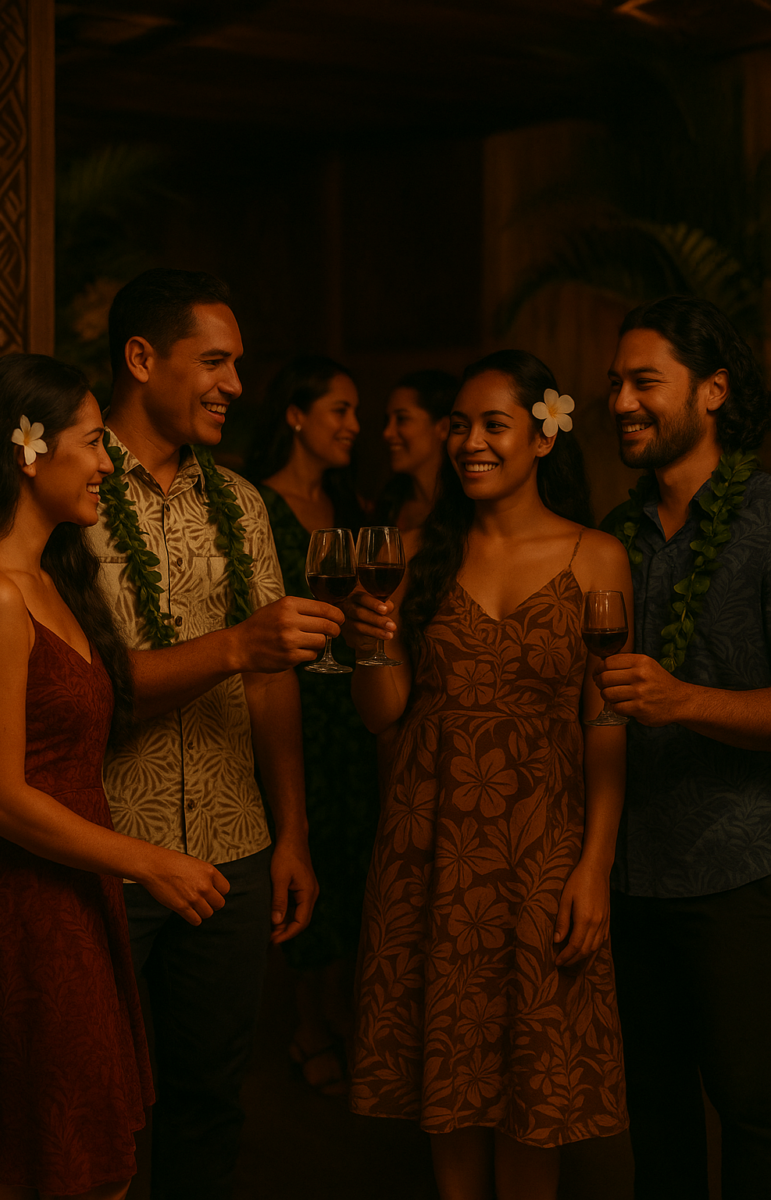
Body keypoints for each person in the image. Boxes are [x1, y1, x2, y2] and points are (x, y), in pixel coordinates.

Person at [344, 350, 631, 1200]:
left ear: (542, 436)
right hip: (430, 852)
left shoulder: (595, 555)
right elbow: (382, 713)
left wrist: (594, 866)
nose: (470, 442)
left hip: (542, 854)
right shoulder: (411, 552)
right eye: (460, 426)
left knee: (532, 1093)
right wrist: (369, 639)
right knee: (451, 1091)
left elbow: (605, 721)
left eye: (493, 425)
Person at [86, 268, 344, 1200]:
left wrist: (292, 835)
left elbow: (272, 679)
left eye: (238, 365)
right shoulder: (70, 491)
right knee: (94, 1103)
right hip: (104, 851)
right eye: (215, 362)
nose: (236, 385)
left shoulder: (240, 502)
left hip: (234, 851)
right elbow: (76, 689)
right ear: (141, 358)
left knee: (211, 1102)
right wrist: (237, 644)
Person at [0, 353, 230, 1200]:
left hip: (77, 896)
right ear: (28, 451)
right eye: (91, 442)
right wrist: (149, 859)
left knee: (89, 1160)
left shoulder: (54, 579)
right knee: (52, 1163)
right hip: (23, 902)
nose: (108, 464)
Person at [598, 296, 771, 1200]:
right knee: (656, 1114)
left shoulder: (767, 519)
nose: (621, 402)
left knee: (753, 1110)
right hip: (628, 877)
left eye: (644, 382)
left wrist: (682, 701)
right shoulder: (610, 536)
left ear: (713, 390)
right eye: (614, 384)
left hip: (740, 873)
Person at [247, 355, 380, 1094]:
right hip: (291, 707)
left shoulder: (351, 505)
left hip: (352, 708)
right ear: (296, 416)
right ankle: (306, 1021)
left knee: (355, 856)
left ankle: (339, 1010)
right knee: (305, 856)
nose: (355, 426)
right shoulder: (257, 507)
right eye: (340, 410)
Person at [375, 369, 458, 532]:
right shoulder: (389, 504)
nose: (387, 433)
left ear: (443, 427)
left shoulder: (468, 508)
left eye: (402, 419)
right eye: (387, 420)